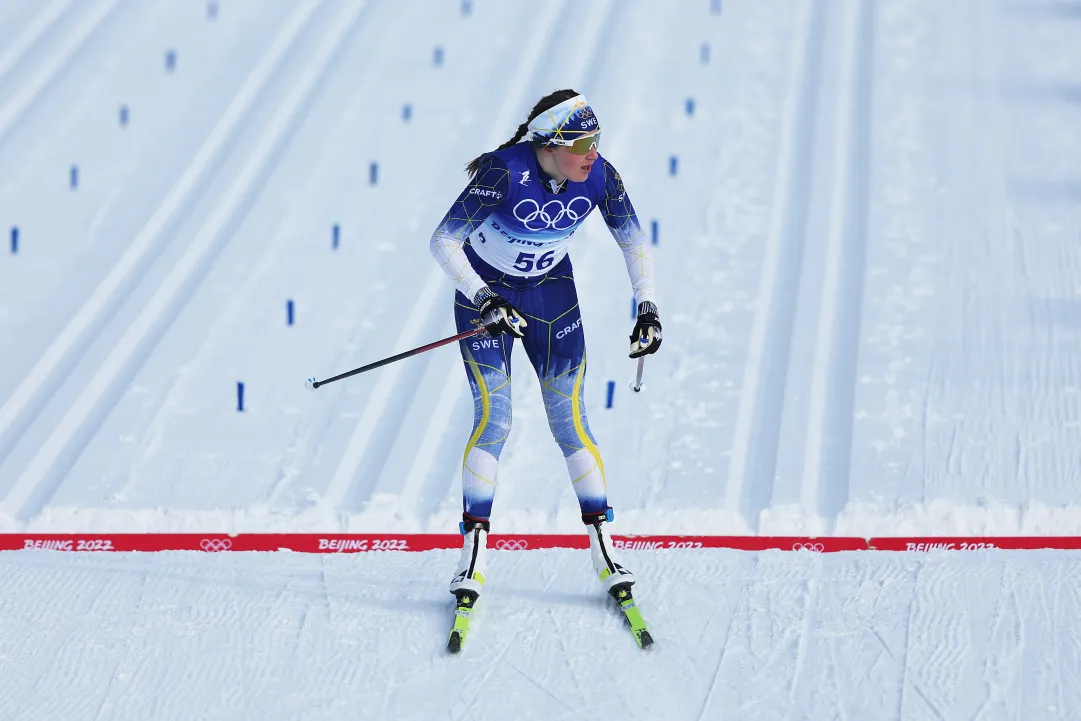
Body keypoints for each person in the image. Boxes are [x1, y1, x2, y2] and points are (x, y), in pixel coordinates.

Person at [428, 89, 662, 600]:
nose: (593, 153)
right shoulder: (503, 172)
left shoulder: (599, 176)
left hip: (552, 299)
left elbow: (633, 240)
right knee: (495, 419)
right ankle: (472, 557)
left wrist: (647, 305)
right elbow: (442, 242)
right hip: (487, 301)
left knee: (570, 421)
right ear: (550, 145)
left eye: (597, 140)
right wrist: (485, 297)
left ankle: (605, 549)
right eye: (583, 143)